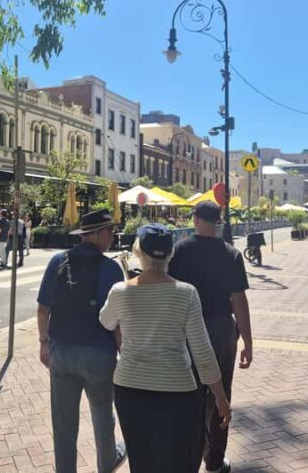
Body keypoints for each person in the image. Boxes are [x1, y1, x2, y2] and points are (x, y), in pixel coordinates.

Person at [100, 224, 231, 473]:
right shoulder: (186, 293)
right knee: (177, 460)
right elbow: (202, 352)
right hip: (177, 391)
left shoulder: (120, 292)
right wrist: (220, 397)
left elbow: (105, 321)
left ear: (138, 252)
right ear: (170, 254)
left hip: (130, 388)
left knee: (141, 460)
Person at [36, 209, 127, 473]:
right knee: (102, 416)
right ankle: (106, 463)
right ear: (99, 234)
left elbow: (43, 309)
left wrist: (44, 343)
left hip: (61, 352)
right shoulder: (111, 269)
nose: (112, 237)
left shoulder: (57, 261)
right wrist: (124, 354)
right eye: (110, 232)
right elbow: (117, 322)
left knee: (63, 423)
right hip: (99, 354)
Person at [168, 201, 252, 473]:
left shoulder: (180, 250)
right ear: (218, 222)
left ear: (195, 219)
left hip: (188, 329)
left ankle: (189, 457)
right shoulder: (231, 254)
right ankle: (214, 460)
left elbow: (170, 293)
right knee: (221, 394)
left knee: (190, 395)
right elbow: (239, 301)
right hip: (221, 331)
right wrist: (248, 342)